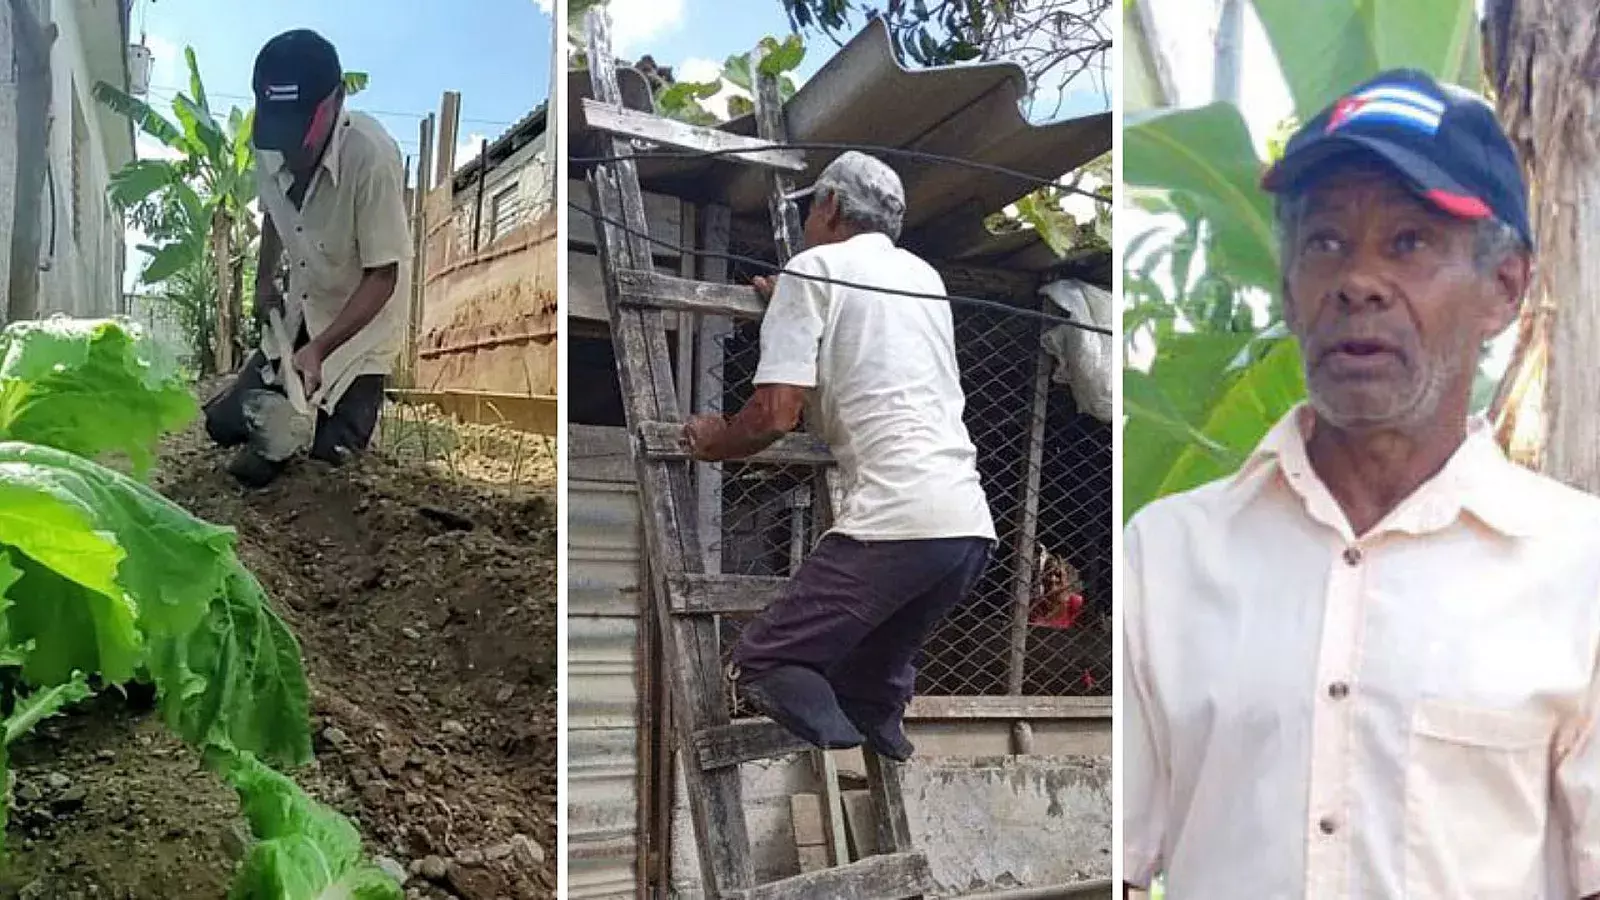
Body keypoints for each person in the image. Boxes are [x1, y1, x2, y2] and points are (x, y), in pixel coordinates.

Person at [1123, 69, 1600, 899]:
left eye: (1409, 241)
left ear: (1504, 288)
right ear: (1289, 291)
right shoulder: (1164, 559)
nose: (1358, 281)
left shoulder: (1580, 570)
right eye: (1326, 243)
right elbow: (1120, 869)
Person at [683, 151, 996, 761]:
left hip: (896, 524)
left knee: (766, 659)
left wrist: (714, 438)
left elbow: (776, 415)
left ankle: (836, 731)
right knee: (877, 663)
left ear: (828, 206)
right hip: (967, 533)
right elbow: (873, 349)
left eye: (810, 211)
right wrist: (792, 305)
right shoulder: (924, 279)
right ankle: (877, 716)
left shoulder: (814, 267)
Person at [202, 28, 411, 487]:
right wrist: (263, 281)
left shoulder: (370, 160)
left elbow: (382, 276)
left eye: (303, 136)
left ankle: (308, 431)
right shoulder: (267, 143)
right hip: (301, 307)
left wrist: (318, 350)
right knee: (223, 429)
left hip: (360, 330)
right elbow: (276, 211)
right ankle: (243, 407)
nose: (291, 150)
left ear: (336, 101)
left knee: (325, 467)